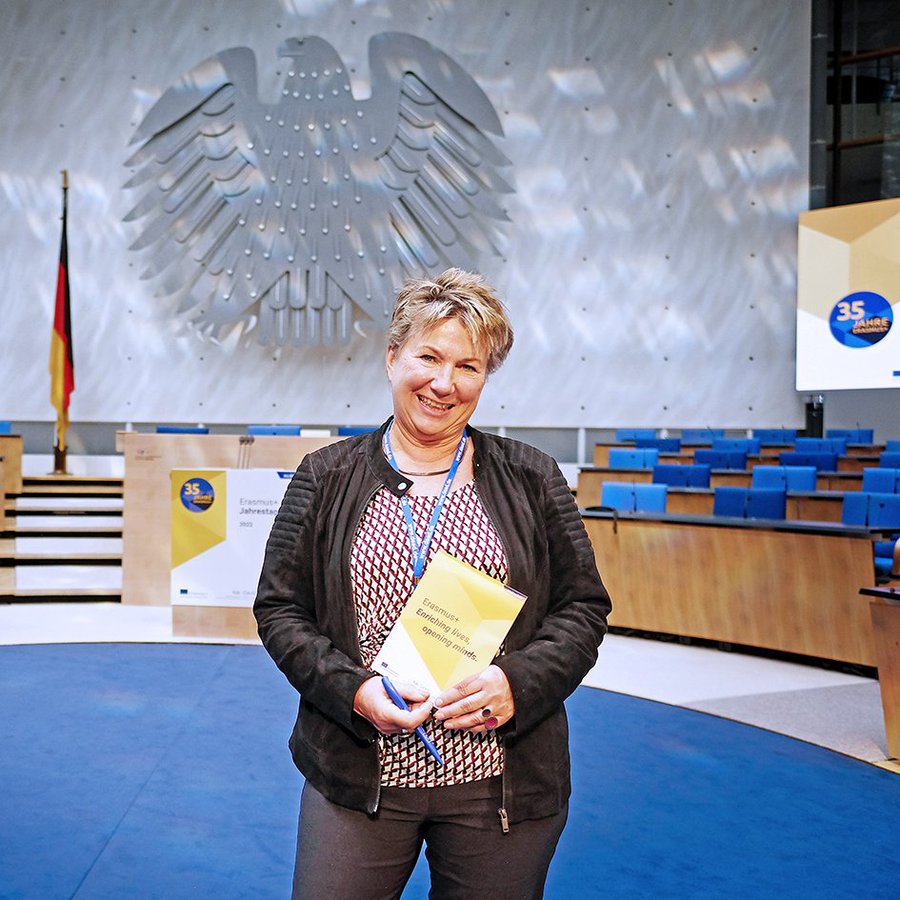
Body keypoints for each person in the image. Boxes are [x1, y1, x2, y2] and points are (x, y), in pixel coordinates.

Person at [254, 268, 611, 899]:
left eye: (468, 367)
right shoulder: (325, 475)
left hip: (500, 777)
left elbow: (583, 607)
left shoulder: (532, 477)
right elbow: (281, 609)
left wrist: (518, 684)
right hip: (359, 773)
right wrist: (353, 691)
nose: (444, 384)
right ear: (392, 358)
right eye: (429, 357)